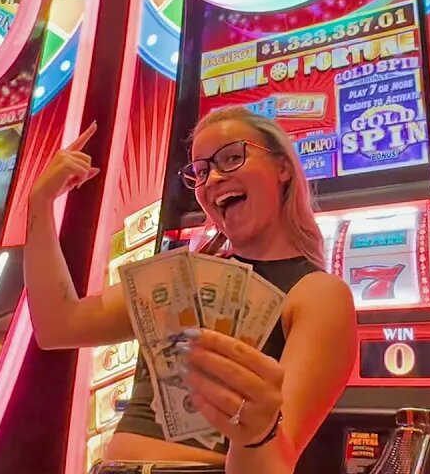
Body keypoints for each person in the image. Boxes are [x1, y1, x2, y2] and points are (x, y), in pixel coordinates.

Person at [25, 106, 359, 473]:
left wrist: (258, 431)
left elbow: (275, 463)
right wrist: (39, 205)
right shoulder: (181, 277)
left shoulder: (317, 294)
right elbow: (58, 325)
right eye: (201, 171)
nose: (213, 177)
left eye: (232, 158)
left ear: (282, 168)